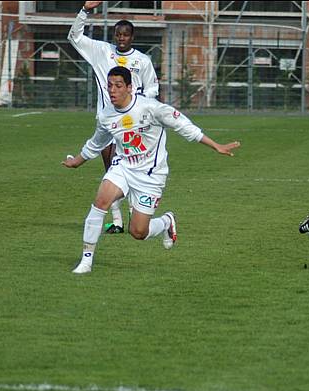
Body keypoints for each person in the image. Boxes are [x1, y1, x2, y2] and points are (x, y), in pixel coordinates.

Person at [62, 66, 240, 274]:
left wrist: (216, 145)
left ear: (130, 87)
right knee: (101, 201)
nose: (112, 90)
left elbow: (183, 125)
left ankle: (166, 222)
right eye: (109, 86)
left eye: (118, 86)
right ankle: (86, 260)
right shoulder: (106, 116)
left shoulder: (151, 108)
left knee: (138, 232)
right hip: (123, 168)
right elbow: (97, 142)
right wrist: (76, 161)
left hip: (151, 176)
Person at [68, 0, 159, 234]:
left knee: (131, 168)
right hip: (107, 123)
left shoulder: (143, 61)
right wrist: (85, 11)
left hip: (133, 125)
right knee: (111, 170)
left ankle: (134, 214)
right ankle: (117, 221)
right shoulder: (101, 52)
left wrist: (137, 100)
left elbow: (153, 89)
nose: (121, 38)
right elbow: (74, 37)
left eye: (126, 35)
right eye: (118, 34)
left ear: (132, 37)